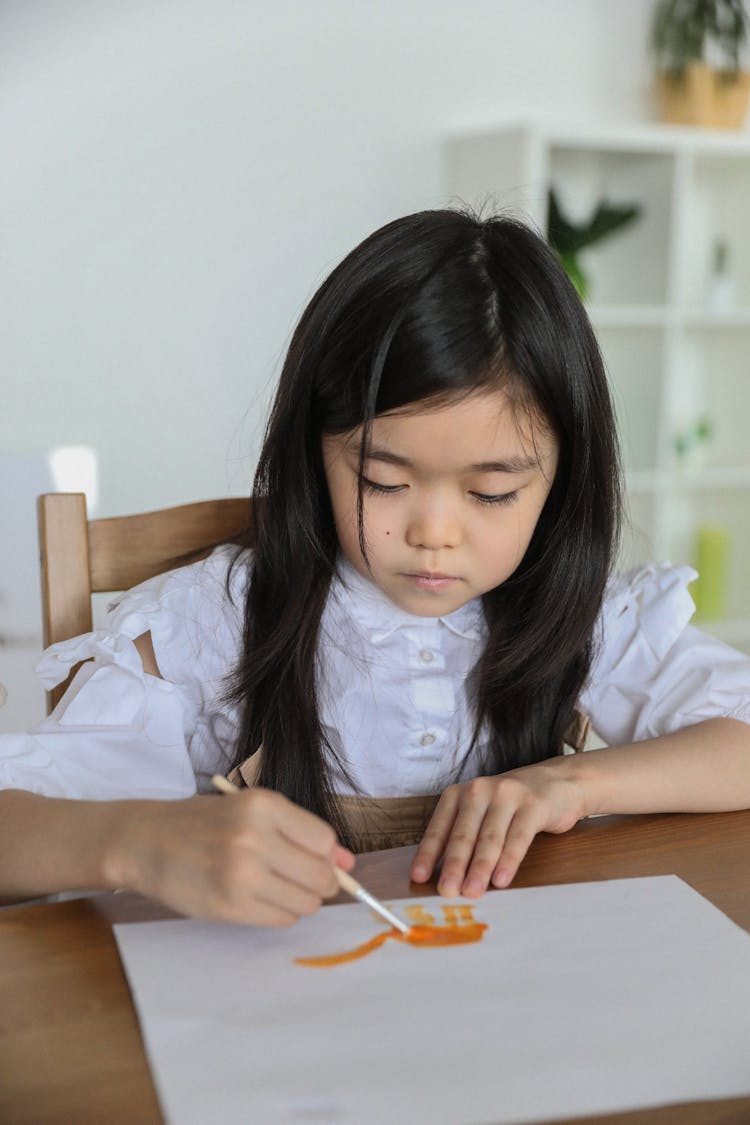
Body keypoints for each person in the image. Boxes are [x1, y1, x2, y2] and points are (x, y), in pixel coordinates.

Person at [2, 210, 749, 925]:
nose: (432, 533)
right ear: (315, 453)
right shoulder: (214, 622)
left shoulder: (584, 619)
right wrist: (138, 841)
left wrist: (573, 782)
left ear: (561, 483)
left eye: (492, 492)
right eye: (383, 482)